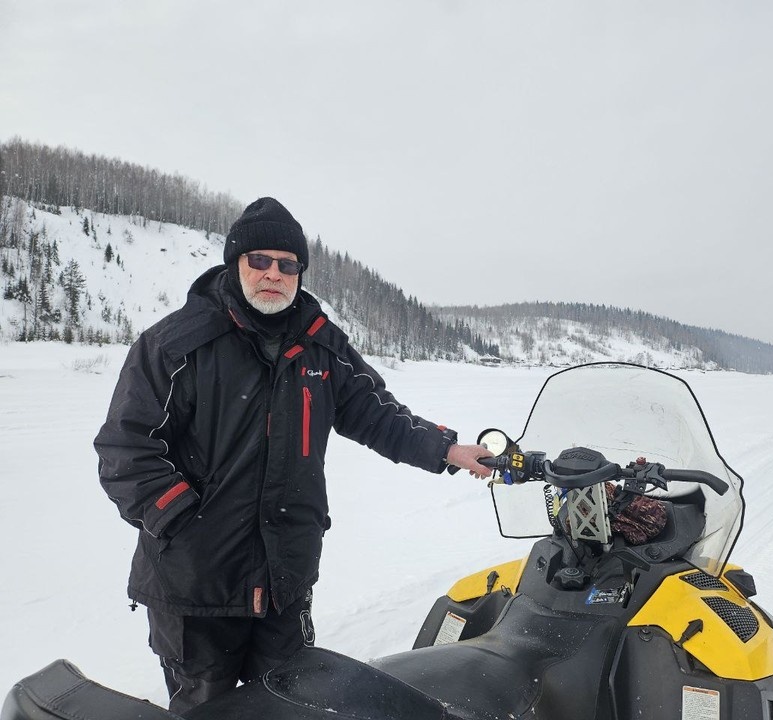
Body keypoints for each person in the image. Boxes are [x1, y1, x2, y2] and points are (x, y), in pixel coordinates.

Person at [94, 197, 493, 713]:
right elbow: (125, 446)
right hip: (197, 588)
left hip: (284, 577)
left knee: (291, 703)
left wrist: (448, 449)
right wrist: (181, 522)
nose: (273, 274)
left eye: (287, 265)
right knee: (207, 710)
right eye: (259, 260)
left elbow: (377, 415)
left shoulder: (320, 347)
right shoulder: (177, 344)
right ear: (234, 264)